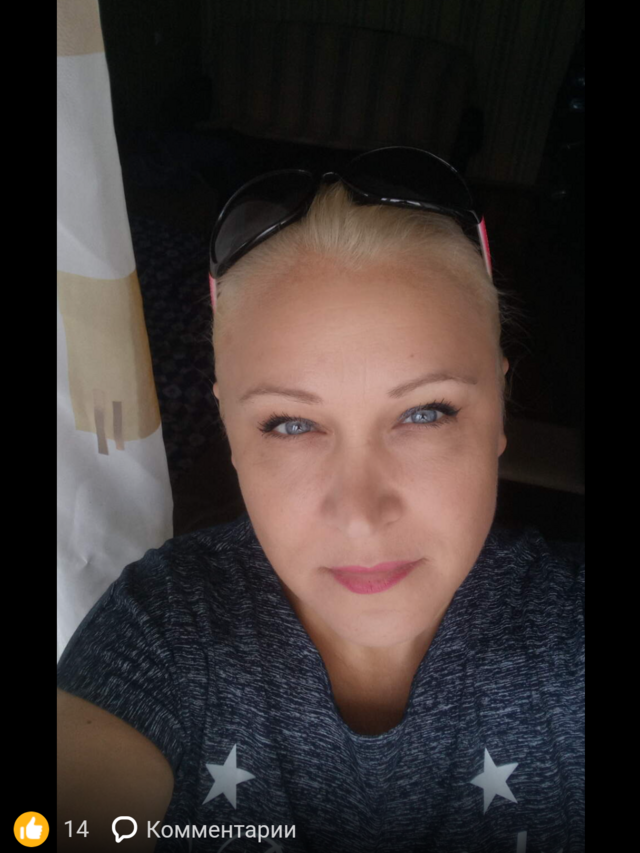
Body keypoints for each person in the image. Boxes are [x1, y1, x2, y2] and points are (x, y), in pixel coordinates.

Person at [57, 148, 584, 853]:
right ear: (230, 432)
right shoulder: (163, 629)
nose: (360, 516)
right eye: (290, 424)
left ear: (499, 412)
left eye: (425, 412)